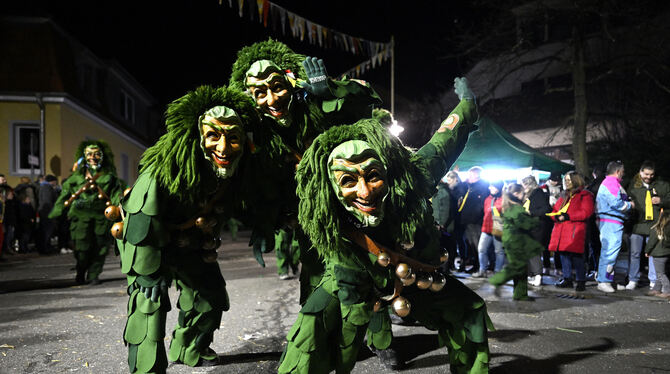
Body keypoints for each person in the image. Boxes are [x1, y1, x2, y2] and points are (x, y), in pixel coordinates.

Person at [278, 77, 491, 374]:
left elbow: (446, 139)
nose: (365, 192)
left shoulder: (414, 177)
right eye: (349, 181)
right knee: (310, 336)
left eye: (373, 175)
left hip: (415, 274)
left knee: (469, 314)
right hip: (353, 277)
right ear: (331, 188)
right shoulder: (324, 207)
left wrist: (468, 104)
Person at [116, 85, 274, 372]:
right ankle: (146, 369)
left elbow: (253, 197)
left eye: (233, 137)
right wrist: (147, 273)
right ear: (197, 136)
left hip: (189, 241)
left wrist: (264, 225)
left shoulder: (238, 168)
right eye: (213, 136)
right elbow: (140, 215)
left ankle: (189, 348)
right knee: (149, 303)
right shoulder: (166, 166)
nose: (224, 148)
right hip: (146, 241)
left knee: (210, 294)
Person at [48, 140, 125, 284]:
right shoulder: (75, 178)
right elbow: (63, 196)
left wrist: (120, 210)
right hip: (80, 217)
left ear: (102, 156)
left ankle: (93, 275)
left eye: (97, 154)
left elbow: (116, 196)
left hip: (101, 217)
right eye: (89, 154)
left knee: (100, 247)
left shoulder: (109, 178)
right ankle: (81, 270)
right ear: (84, 156)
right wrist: (54, 214)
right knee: (81, 248)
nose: (93, 157)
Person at [489, 183, 544, 301]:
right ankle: (497, 280)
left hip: (513, 240)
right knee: (518, 266)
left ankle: (520, 294)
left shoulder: (509, 207)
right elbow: (525, 224)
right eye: (523, 193)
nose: (524, 195)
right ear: (516, 194)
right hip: (515, 242)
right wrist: (536, 221)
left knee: (522, 269)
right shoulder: (517, 208)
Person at [625, 160, 670, 290]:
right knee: (634, 253)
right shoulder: (633, 185)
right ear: (640, 172)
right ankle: (633, 279)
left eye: (651, 174)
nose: (649, 177)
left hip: (654, 226)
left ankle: (654, 281)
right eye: (646, 174)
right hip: (637, 225)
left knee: (653, 254)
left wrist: (662, 201)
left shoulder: (662, 185)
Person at [547, 171, 594, 292]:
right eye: (566, 180)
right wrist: (555, 216)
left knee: (577, 256)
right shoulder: (564, 195)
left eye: (569, 180)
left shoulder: (585, 195)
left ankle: (580, 280)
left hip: (575, 229)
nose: (566, 182)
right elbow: (556, 209)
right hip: (562, 228)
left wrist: (568, 216)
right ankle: (567, 278)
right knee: (564, 255)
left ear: (576, 180)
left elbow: (586, 212)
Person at [595, 161, 634, 293]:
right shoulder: (612, 183)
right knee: (610, 252)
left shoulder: (610, 183)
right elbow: (617, 203)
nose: (623, 174)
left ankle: (606, 279)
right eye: (622, 172)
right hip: (611, 222)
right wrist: (630, 205)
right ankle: (604, 281)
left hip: (610, 222)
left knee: (609, 252)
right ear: (617, 171)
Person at [456, 166, 489, 272]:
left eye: (471, 174)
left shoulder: (482, 186)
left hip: (475, 220)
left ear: (476, 174)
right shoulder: (469, 186)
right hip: (467, 219)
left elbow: (481, 204)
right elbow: (460, 191)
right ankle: (474, 264)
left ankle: (478, 266)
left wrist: (476, 216)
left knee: (476, 244)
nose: (469, 176)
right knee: (470, 243)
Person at [521, 175, 553, 287]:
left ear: (529, 184)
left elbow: (545, 208)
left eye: (524, 184)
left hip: (537, 226)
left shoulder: (538, 193)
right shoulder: (529, 194)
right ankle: (532, 274)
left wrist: (531, 212)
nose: (523, 186)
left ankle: (538, 275)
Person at [432, 170, 466, 272]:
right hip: (444, 226)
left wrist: (440, 224)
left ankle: (444, 269)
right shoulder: (442, 191)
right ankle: (445, 268)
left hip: (444, 227)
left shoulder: (442, 192)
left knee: (444, 247)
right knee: (446, 247)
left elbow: (444, 211)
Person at [472, 180, 505, 277]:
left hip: (498, 229)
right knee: (481, 249)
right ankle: (482, 270)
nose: (489, 188)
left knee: (499, 251)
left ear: (498, 188)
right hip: (486, 229)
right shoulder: (487, 199)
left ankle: (498, 272)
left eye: (492, 186)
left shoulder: (504, 199)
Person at [645, 210, 670, 299]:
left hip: (658, 254)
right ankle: (656, 289)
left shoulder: (657, 228)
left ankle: (667, 291)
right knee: (661, 272)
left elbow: (652, 241)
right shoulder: (667, 229)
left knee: (660, 274)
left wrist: (647, 251)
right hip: (667, 254)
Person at [36, 174, 59, 254]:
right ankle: (46, 248)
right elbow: (48, 201)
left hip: (44, 212)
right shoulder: (47, 188)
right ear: (52, 181)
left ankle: (45, 248)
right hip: (47, 213)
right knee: (47, 231)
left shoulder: (43, 187)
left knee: (45, 231)